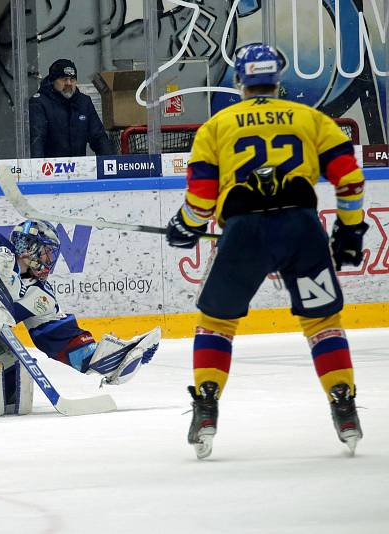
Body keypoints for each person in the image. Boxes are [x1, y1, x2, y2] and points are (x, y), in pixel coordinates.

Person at [165, 43, 367, 459]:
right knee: (322, 322)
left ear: (239, 79)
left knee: (216, 323)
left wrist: (186, 226)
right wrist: (349, 231)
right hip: (301, 231)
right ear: (278, 79)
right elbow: (349, 179)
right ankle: (344, 406)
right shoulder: (311, 119)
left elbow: (202, 198)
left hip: (244, 234)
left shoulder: (217, 126)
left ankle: (206, 407)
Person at [0, 219, 160, 408]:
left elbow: (58, 337)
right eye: (46, 251)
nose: (49, 260)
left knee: (14, 387)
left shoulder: (40, 296)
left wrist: (107, 360)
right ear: (29, 248)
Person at [29, 59, 115, 158]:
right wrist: (38, 170)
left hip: (79, 169)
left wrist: (109, 163)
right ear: (53, 81)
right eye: (64, 79)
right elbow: (37, 141)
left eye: (72, 79)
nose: (69, 83)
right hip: (50, 170)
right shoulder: (39, 103)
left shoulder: (84, 102)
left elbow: (99, 137)